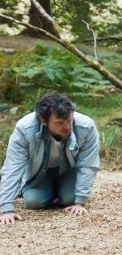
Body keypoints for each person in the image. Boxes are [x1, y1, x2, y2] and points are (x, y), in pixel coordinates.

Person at [0, 92, 100, 224]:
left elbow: (88, 164)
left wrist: (80, 202)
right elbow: (13, 166)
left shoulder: (86, 126)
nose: (67, 127)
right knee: (33, 201)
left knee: (70, 199)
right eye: (59, 122)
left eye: (69, 120)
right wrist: (6, 208)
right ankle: (35, 189)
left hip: (69, 170)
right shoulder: (24, 128)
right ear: (43, 120)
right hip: (40, 173)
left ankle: (60, 192)